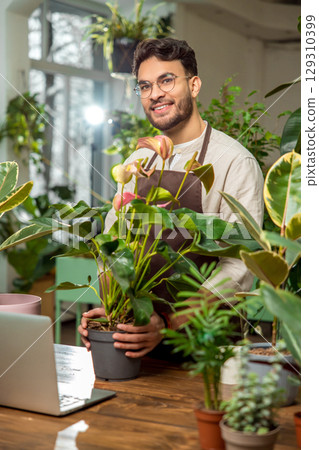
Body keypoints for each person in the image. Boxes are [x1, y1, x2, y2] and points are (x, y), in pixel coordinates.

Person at [79, 38, 264, 359]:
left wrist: (166, 324)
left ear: (194, 85)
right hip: (135, 342)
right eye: (145, 86)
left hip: (206, 349)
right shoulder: (139, 159)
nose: (155, 94)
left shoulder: (233, 161)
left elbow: (239, 266)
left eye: (167, 80)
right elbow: (113, 243)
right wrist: (113, 310)